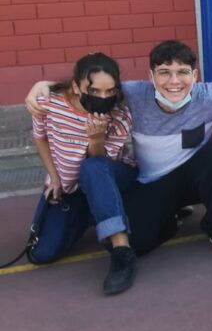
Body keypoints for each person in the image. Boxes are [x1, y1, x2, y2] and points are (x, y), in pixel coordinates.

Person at [24, 41, 212, 259]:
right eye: (164, 72)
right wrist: (44, 85)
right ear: (150, 76)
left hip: (195, 178)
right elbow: (94, 86)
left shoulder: (211, 94)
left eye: (182, 72)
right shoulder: (132, 94)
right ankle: (168, 222)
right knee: (136, 243)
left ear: (195, 75)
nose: (174, 81)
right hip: (153, 183)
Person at [26, 53, 138, 295]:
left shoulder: (119, 115)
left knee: (92, 167)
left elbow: (100, 165)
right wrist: (54, 178)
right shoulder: (49, 103)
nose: (103, 98)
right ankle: (92, 213)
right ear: (76, 87)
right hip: (70, 187)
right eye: (94, 91)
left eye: (110, 91)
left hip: (111, 176)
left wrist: (96, 138)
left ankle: (122, 252)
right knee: (42, 253)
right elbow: (40, 138)